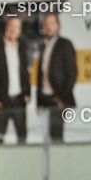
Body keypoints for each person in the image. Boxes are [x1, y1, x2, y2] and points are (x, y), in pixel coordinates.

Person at [0, 16, 30, 143]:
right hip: (1, 102)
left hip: (19, 101)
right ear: (7, 27)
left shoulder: (22, 48)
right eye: (12, 26)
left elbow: (25, 73)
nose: (14, 30)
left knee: (22, 139)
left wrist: (27, 93)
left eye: (17, 27)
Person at [35, 12, 77, 142]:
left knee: (57, 136)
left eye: (51, 23)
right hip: (45, 98)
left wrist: (62, 99)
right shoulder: (43, 46)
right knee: (47, 136)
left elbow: (72, 73)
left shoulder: (65, 44)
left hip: (58, 98)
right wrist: (38, 101)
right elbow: (40, 75)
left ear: (58, 26)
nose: (48, 27)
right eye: (46, 24)